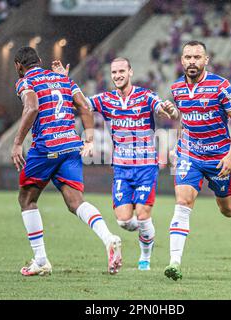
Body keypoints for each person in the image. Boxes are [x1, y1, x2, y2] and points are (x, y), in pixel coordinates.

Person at [52, 57, 178, 271]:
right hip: (121, 168)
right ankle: (147, 230)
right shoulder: (106, 99)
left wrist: (170, 110)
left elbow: (162, 108)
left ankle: (144, 257)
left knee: (143, 214)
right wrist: (65, 82)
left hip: (146, 166)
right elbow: (81, 103)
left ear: (130, 72)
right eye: (114, 72)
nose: (118, 75)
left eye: (122, 71)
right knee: (123, 221)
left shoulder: (146, 96)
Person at [12, 47, 122, 277]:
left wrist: (17, 143)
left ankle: (41, 260)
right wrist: (89, 136)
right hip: (71, 146)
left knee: (27, 199)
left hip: (46, 148)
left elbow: (31, 107)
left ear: (18, 66)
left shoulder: (25, 82)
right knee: (75, 202)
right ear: (40, 60)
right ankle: (108, 238)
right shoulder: (63, 79)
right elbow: (84, 106)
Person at [162, 41, 231, 281]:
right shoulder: (177, 88)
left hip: (219, 157)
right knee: (183, 201)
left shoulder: (221, 86)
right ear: (181, 60)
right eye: (187, 57)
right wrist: (177, 147)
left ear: (206, 60)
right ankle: (174, 263)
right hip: (190, 155)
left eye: (197, 57)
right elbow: (185, 121)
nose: (192, 61)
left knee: (227, 210)